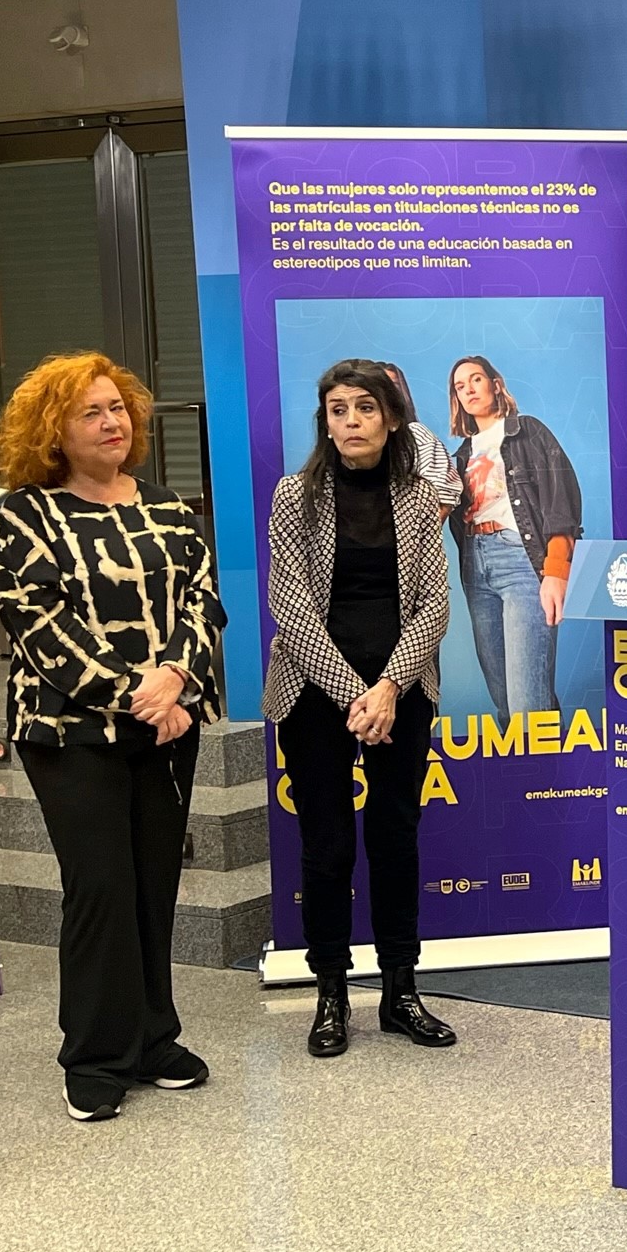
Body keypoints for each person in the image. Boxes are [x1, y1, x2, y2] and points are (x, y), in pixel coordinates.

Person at [0, 352, 224, 1121]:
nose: (111, 421)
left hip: (168, 721)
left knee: (153, 883)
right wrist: (141, 696)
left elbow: (203, 602)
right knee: (101, 886)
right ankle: (93, 1056)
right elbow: (41, 627)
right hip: (70, 731)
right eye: (90, 412)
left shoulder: (169, 508)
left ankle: (153, 1039)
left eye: (116, 407)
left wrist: (176, 679)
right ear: (52, 430)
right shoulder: (26, 516)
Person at [265, 360, 456, 1058]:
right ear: (326, 422)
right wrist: (356, 693)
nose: (350, 421)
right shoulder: (296, 496)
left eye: (365, 408)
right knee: (327, 844)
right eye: (338, 409)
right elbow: (290, 606)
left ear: (392, 419)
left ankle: (401, 992)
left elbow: (435, 604)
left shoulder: (418, 497)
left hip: (400, 693)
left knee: (395, 837)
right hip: (314, 694)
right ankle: (331, 994)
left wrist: (389, 687)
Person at [448, 355, 581, 722]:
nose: (469, 389)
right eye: (460, 386)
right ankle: (539, 760)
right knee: (505, 704)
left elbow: (561, 499)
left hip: (520, 561)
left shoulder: (527, 432)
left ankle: (543, 761)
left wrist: (556, 569)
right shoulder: (461, 456)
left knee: (528, 706)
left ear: (495, 384)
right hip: (475, 567)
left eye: (476, 379)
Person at [378, 362, 463, 513]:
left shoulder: (416, 435)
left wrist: (419, 529)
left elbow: (444, 495)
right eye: (380, 385)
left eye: (394, 386)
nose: (388, 392)